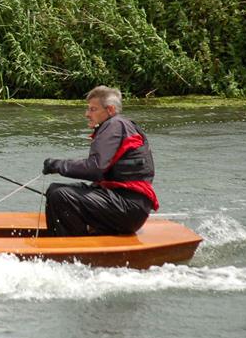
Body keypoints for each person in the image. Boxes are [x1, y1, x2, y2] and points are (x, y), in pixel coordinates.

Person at [41, 86, 158, 236]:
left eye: (93, 109)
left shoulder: (115, 125)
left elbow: (95, 168)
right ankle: (70, 239)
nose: (87, 114)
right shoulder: (117, 126)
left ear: (110, 109)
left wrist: (57, 165)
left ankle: (70, 251)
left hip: (128, 208)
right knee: (54, 190)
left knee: (61, 195)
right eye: (88, 109)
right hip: (124, 203)